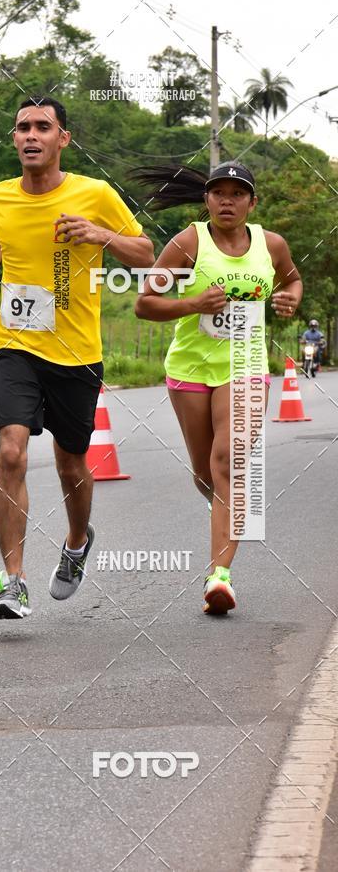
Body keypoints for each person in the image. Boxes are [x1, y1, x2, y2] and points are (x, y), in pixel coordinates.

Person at [0, 96, 154, 620]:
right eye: (22, 127)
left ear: (62, 138)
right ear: (14, 137)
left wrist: (100, 235)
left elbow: (146, 253)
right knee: (12, 451)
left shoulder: (95, 193)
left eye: (43, 127)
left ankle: (75, 541)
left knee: (70, 464)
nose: (31, 135)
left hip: (77, 351)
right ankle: (13, 580)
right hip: (15, 342)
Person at [134, 160, 302, 614]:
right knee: (206, 473)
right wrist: (193, 302)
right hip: (190, 368)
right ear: (206, 199)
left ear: (252, 201)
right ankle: (226, 512)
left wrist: (291, 298)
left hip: (244, 366)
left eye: (237, 193)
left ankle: (219, 577)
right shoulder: (188, 243)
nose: (227, 201)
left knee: (229, 459)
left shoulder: (271, 244)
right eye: (218, 193)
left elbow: (291, 279)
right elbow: (145, 304)